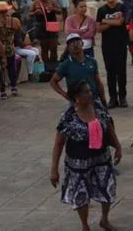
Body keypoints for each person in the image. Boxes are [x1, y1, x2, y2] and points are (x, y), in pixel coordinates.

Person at [49, 79, 121, 231]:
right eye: (86, 92)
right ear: (76, 96)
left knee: (107, 188)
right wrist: (54, 169)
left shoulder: (98, 106)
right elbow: (59, 143)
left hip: (101, 157)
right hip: (78, 162)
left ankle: (105, 219)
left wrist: (118, 146)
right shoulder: (68, 116)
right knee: (81, 195)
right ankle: (85, 225)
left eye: (90, 90)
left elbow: (108, 126)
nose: (90, 94)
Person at [51, 34, 106, 105]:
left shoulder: (92, 61)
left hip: (94, 100)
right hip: (77, 102)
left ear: (82, 44)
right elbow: (53, 82)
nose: (75, 45)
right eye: (71, 43)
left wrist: (103, 100)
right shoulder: (65, 65)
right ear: (67, 48)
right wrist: (65, 95)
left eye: (77, 42)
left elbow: (98, 82)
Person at [97, 0, 129, 108]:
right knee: (110, 72)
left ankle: (122, 97)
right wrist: (112, 21)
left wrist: (105, 21)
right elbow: (99, 28)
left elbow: (120, 22)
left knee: (121, 71)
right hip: (107, 45)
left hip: (120, 44)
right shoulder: (101, 10)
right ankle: (113, 98)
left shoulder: (122, 7)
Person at [0, 2, 23, 98]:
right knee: (11, 68)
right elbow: (19, 34)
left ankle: (2, 91)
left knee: (0, 71)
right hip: (9, 48)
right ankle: (13, 87)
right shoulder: (15, 21)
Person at [33, 0, 62, 69]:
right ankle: (47, 66)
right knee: (44, 47)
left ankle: (53, 65)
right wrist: (36, 12)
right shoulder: (35, 3)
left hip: (52, 24)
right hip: (41, 26)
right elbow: (30, 14)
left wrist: (53, 9)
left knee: (54, 46)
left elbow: (60, 11)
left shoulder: (51, 1)